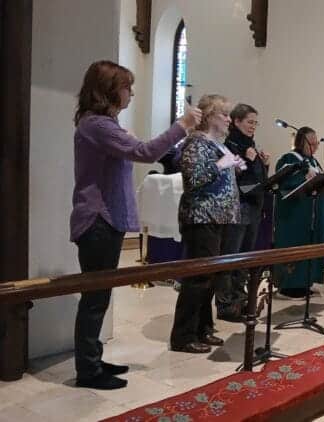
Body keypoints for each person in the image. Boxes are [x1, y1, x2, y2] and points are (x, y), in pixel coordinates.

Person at [70, 60, 200, 389]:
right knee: (95, 298)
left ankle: (93, 359)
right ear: (109, 90)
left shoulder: (102, 124)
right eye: (127, 87)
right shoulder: (98, 125)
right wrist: (182, 125)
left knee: (99, 297)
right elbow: (145, 152)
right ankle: (88, 370)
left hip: (104, 220)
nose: (131, 93)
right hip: (97, 221)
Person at [170, 94, 243, 354]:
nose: (229, 120)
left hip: (219, 218)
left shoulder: (216, 144)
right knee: (198, 278)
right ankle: (183, 335)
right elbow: (193, 179)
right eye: (224, 115)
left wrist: (233, 166)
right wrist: (221, 165)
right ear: (210, 116)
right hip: (202, 217)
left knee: (210, 278)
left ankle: (203, 328)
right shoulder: (195, 142)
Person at [215, 103, 270, 322]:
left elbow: (257, 179)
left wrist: (264, 164)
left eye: (256, 122)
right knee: (231, 256)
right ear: (236, 122)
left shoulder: (250, 146)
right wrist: (248, 159)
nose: (253, 126)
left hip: (253, 207)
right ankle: (226, 304)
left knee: (245, 257)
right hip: (237, 208)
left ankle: (241, 298)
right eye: (249, 122)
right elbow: (230, 177)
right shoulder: (229, 146)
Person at [273, 127, 324, 298]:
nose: (315, 147)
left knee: (310, 245)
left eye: (316, 143)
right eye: (312, 143)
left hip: (312, 214)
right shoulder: (289, 159)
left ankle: (306, 282)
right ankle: (289, 287)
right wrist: (304, 177)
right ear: (301, 142)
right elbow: (283, 181)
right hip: (294, 215)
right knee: (294, 247)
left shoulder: (313, 161)